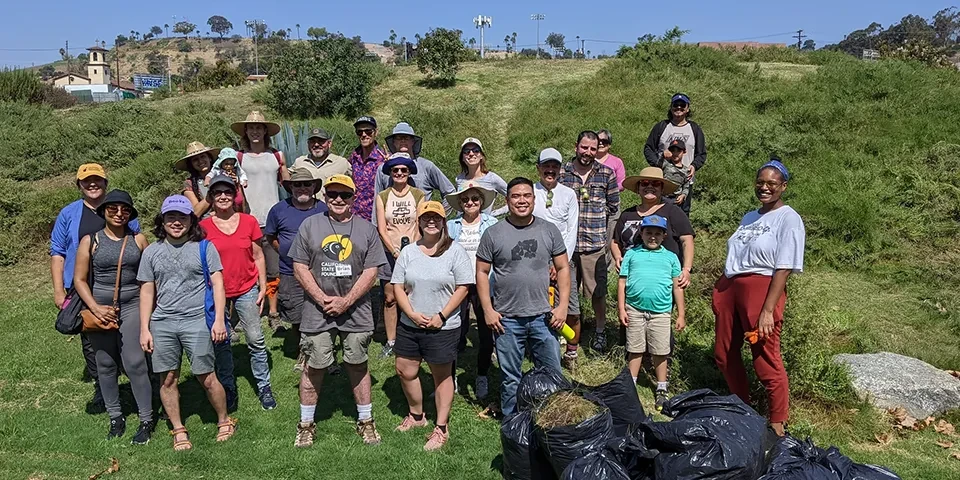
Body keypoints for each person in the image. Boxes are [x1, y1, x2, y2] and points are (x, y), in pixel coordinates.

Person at [289, 174, 387, 447]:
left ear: (354, 198)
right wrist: (322, 298)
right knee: (315, 365)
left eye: (345, 195)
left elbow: (372, 270)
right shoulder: (310, 225)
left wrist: (347, 300)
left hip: (356, 310)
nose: (338, 199)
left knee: (357, 364)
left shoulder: (366, 229)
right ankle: (306, 424)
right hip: (317, 310)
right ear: (325, 197)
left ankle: (366, 420)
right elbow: (299, 265)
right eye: (333, 194)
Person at [713, 159, 805, 437]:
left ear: (783, 187)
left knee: (764, 355)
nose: (764, 188)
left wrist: (767, 310)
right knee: (723, 354)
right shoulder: (750, 217)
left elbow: (784, 265)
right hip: (732, 287)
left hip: (762, 289)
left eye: (771, 184)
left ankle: (778, 423)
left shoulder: (789, 218)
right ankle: (743, 410)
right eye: (760, 182)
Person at [138, 195, 235, 451]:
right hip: (163, 322)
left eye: (182, 217)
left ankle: (224, 420)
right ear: (162, 221)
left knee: (206, 376)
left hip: (197, 321)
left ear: (191, 220)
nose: (177, 222)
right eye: (171, 217)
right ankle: (178, 428)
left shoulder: (205, 247)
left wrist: (219, 321)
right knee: (168, 379)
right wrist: (145, 328)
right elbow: (147, 291)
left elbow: (218, 285)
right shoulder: (151, 252)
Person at [476, 177, 571, 416]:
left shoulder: (548, 230)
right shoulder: (493, 233)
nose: (522, 200)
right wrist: (487, 309)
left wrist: (562, 307)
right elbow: (481, 271)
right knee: (510, 378)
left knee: (552, 373)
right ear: (507, 201)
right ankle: (513, 423)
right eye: (516, 196)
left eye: (526, 195)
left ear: (534, 198)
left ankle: (553, 419)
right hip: (507, 319)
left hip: (543, 317)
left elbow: (562, 268)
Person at [50, 163, 141, 413]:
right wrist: (59, 290)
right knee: (91, 337)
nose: (92, 184)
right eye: (86, 181)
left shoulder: (122, 209)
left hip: (119, 286)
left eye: (97, 180)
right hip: (82, 285)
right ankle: (103, 387)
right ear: (79, 185)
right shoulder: (69, 213)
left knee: (126, 334)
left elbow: (135, 243)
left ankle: (135, 381)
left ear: (105, 183)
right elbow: (57, 251)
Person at [72, 190, 153, 443]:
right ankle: (116, 417)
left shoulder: (139, 239)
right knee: (105, 364)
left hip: (132, 305)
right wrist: (95, 308)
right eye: (113, 209)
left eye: (125, 210)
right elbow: (79, 279)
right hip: (100, 308)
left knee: (134, 362)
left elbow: (149, 276)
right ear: (104, 211)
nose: (119, 214)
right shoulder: (90, 240)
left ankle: (146, 418)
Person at [391, 201, 473, 450]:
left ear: (443, 222)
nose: (431, 221)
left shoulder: (455, 251)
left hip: (443, 326)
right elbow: (398, 286)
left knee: (441, 375)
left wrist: (442, 315)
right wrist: (412, 314)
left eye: (436, 217)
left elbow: (464, 287)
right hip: (411, 323)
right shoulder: (409, 252)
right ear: (419, 222)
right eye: (426, 217)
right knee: (405, 370)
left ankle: (441, 427)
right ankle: (417, 416)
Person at [199, 175, 276, 411]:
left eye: (228, 192)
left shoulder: (248, 222)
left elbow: (259, 255)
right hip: (216, 291)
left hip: (246, 287)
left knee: (255, 338)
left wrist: (263, 286)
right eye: (217, 193)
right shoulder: (202, 227)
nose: (223, 197)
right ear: (210, 198)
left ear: (235, 196)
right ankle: (228, 387)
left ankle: (263, 386)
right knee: (221, 342)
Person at [617, 215, 686, 412]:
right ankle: (630, 387)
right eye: (648, 233)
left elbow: (677, 287)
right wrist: (621, 308)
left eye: (657, 233)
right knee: (635, 348)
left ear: (664, 236)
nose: (652, 237)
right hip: (634, 310)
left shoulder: (671, 258)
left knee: (660, 351)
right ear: (641, 233)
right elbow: (622, 282)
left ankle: (662, 388)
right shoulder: (631, 254)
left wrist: (681, 314)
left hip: (661, 313)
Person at [560, 131, 620, 353]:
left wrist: (607, 240)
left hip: (594, 245)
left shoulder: (606, 174)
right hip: (566, 246)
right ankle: (566, 332)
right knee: (565, 291)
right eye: (584, 147)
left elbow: (614, 208)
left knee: (597, 293)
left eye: (593, 149)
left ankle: (600, 331)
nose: (588, 152)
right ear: (576, 146)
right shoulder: (562, 172)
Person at [232, 110, 289, 330]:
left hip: (272, 220)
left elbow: (286, 184)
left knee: (273, 268)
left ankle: (273, 312)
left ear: (265, 131)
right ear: (246, 131)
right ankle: (248, 312)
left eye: (259, 127)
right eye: (251, 127)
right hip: (246, 220)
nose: (255, 131)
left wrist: (284, 167)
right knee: (246, 268)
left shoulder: (276, 156)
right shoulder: (238, 158)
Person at [264, 168, 328, 353]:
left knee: (322, 311)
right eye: (297, 184)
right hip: (290, 271)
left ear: (314, 186)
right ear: (290, 187)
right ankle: (304, 351)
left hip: (319, 271)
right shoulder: (278, 210)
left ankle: (324, 351)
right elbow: (271, 236)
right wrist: (286, 251)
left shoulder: (323, 209)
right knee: (296, 314)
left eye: (306, 184)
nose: (302, 188)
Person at [446, 182, 499, 399]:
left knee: (487, 329)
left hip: (485, 281)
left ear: (481, 202)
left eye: (475, 199)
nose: (470, 203)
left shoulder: (492, 224)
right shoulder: (451, 226)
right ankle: (450, 377)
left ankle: (482, 375)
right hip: (458, 282)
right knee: (454, 330)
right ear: (460, 203)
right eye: (465, 200)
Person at [531, 148, 580, 371]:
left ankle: (571, 352)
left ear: (560, 169)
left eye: (555, 167)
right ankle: (542, 349)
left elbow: (572, 229)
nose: (550, 170)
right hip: (534, 259)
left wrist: (561, 262)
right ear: (538, 168)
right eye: (546, 166)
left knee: (570, 308)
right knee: (538, 305)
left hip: (563, 259)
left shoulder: (569, 194)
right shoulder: (530, 192)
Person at [375, 153, 426, 358]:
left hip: (414, 252)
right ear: (390, 173)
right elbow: (382, 228)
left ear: (409, 172)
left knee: (414, 294)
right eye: (395, 170)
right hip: (390, 253)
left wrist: (410, 250)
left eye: (403, 170)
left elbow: (420, 224)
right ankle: (391, 340)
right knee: (390, 298)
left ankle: (416, 336)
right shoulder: (383, 196)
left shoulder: (418, 195)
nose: (399, 173)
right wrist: (395, 251)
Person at [613, 168, 694, 285]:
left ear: (662, 188)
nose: (649, 186)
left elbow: (687, 240)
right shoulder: (627, 214)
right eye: (645, 183)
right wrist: (617, 257)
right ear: (638, 188)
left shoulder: (673, 211)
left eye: (655, 184)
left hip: (665, 278)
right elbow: (615, 241)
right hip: (633, 277)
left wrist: (686, 269)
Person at [643, 93, 707, 214]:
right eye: (675, 105)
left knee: (682, 215)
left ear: (688, 109)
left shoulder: (694, 129)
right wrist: (658, 163)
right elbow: (648, 148)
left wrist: (694, 165)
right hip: (661, 180)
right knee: (658, 213)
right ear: (671, 107)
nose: (679, 108)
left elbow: (701, 154)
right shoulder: (662, 126)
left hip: (684, 180)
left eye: (682, 105)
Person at [376, 122, 456, 206]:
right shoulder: (382, 170)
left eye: (406, 138)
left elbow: (450, 192)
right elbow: (377, 202)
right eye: (399, 138)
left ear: (413, 141)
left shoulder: (426, 166)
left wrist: (438, 215)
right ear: (393, 142)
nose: (403, 140)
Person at [348, 116, 387, 222]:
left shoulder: (383, 158)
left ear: (376, 132)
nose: (364, 135)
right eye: (359, 132)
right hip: (354, 217)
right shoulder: (354, 156)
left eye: (368, 131)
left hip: (375, 219)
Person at [454, 137, 508, 216]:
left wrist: (495, 214)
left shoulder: (492, 179)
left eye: (476, 151)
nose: (471, 154)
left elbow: (513, 195)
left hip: (484, 226)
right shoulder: (459, 179)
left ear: (481, 156)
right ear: (462, 158)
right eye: (466, 151)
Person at [292, 127, 351, 192]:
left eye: (321, 141)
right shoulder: (299, 162)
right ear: (308, 144)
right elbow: (286, 179)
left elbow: (357, 182)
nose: (316, 144)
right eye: (312, 141)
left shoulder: (341, 163)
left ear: (329, 143)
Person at [175, 141, 220, 217]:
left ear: (209, 158)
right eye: (195, 159)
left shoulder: (222, 175)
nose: (200, 161)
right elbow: (196, 212)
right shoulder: (189, 184)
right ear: (191, 164)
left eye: (203, 157)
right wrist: (212, 193)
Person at [654, 139, 694, 212]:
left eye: (678, 151)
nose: (675, 153)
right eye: (673, 150)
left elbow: (686, 185)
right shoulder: (666, 164)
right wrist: (663, 155)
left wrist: (683, 195)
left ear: (684, 152)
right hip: (663, 198)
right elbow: (658, 165)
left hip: (676, 200)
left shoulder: (686, 170)